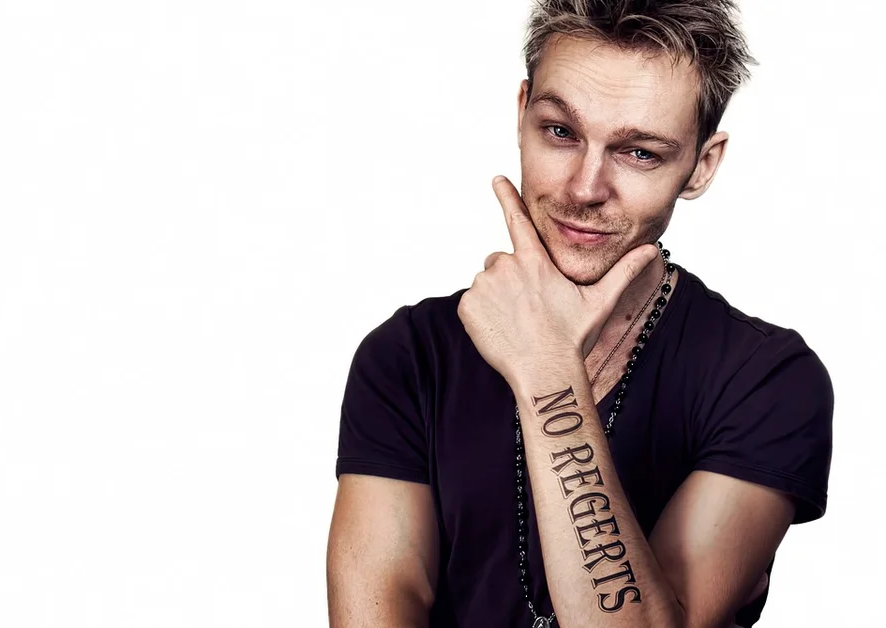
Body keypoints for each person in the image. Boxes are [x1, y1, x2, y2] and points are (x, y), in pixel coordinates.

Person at [325, 1, 834, 627]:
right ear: (521, 115)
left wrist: (544, 367)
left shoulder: (768, 378)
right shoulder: (408, 357)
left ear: (701, 164)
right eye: (560, 132)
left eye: (640, 153)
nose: (584, 188)